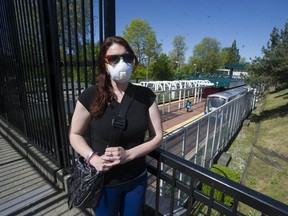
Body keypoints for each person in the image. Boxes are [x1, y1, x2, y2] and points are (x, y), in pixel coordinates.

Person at [69, 36, 163, 216]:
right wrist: (92, 158)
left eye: (127, 57)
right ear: (105, 63)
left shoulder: (146, 96)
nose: (122, 62)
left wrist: (128, 154)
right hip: (104, 182)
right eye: (114, 58)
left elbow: (158, 136)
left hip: (136, 179)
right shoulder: (91, 95)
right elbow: (75, 134)